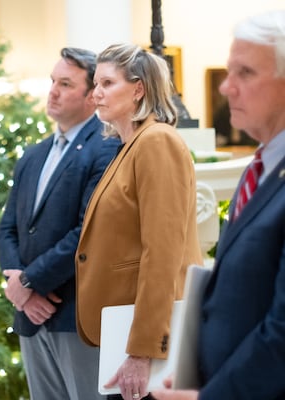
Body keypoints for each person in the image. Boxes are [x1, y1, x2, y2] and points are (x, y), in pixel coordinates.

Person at [152, 10, 285, 400]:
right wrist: (193, 373)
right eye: (229, 72)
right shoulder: (259, 169)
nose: (226, 87)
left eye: (245, 73)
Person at [74, 43, 203, 400]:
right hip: (122, 329)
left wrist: (143, 349)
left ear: (138, 89)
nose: (96, 94)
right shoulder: (130, 146)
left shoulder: (157, 142)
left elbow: (163, 252)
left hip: (145, 342)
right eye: (95, 84)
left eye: (107, 83)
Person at [0, 47, 120, 400]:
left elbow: (89, 233)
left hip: (76, 315)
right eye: (53, 81)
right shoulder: (33, 154)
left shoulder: (106, 148)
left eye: (65, 84)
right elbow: (8, 228)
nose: (52, 91)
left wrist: (30, 282)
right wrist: (20, 288)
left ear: (91, 94)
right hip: (31, 315)